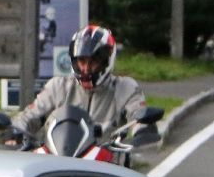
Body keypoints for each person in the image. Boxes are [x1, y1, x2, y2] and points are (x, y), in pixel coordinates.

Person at [11, 24, 146, 139]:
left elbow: (139, 118)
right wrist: (15, 132)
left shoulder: (125, 88)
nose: (86, 68)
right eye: (81, 61)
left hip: (107, 163)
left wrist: (143, 132)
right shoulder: (58, 87)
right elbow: (30, 116)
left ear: (107, 61)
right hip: (61, 159)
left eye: (93, 62)